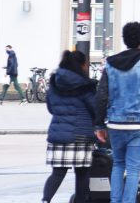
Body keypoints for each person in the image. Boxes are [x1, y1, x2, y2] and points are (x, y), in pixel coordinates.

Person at [94, 21, 140, 203]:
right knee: (134, 168)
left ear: (125, 40)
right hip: (138, 125)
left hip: (115, 124)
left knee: (118, 165)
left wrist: (98, 125)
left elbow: (101, 96)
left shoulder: (110, 66)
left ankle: (115, 200)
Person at [42, 50, 96, 203]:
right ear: (81, 65)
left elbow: (51, 107)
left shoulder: (55, 82)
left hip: (59, 134)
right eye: (86, 64)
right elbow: (95, 109)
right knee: (82, 174)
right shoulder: (85, 85)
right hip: (81, 134)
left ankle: (45, 200)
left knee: (57, 173)